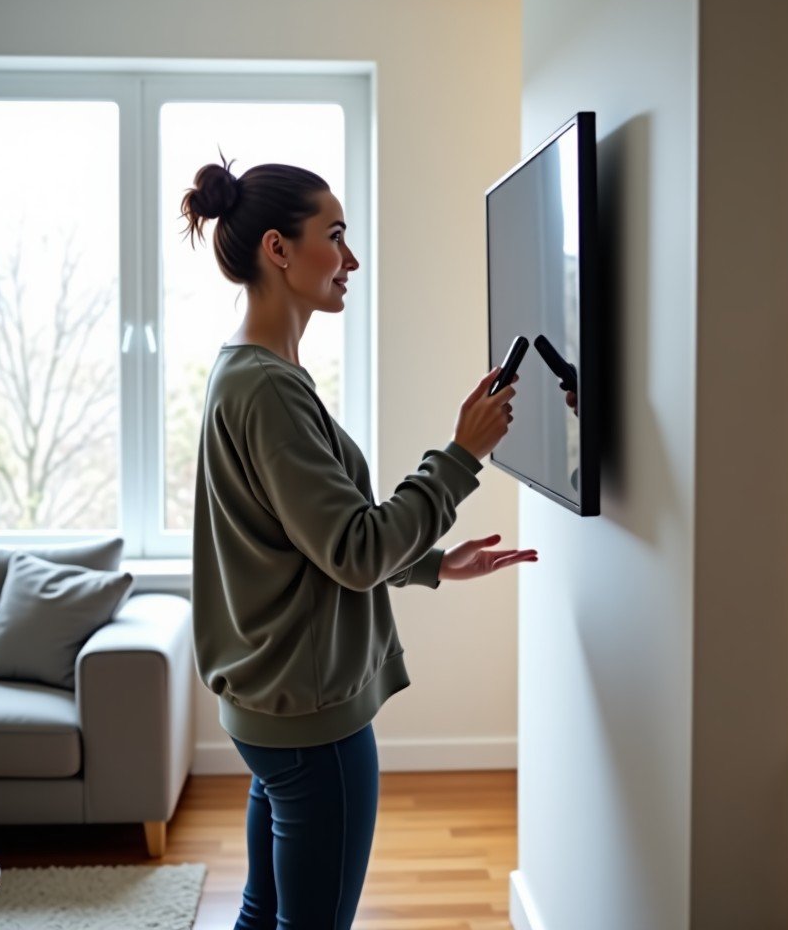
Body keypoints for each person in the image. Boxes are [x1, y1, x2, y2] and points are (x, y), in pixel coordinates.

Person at [181, 157, 538, 930]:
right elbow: (354, 548)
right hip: (311, 722)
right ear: (279, 249)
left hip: (270, 707)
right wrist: (461, 455)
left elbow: (312, 539)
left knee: (263, 913)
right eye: (334, 237)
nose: (351, 260)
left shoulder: (254, 374)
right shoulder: (268, 388)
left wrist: (436, 561)